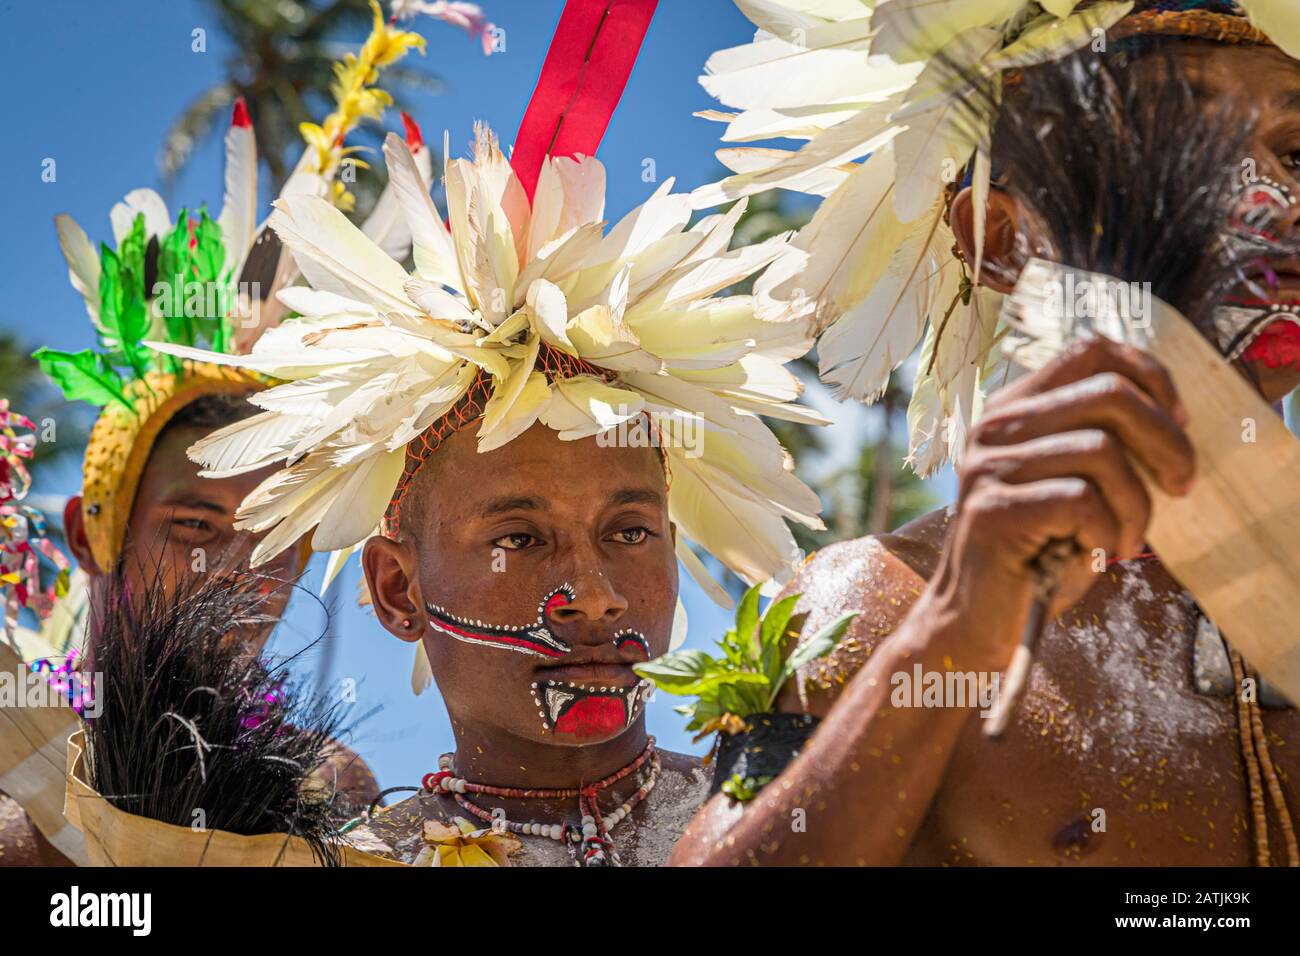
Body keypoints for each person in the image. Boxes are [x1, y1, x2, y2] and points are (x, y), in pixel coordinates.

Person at [672, 0, 1300, 866]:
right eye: (1182, 148)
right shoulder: (880, 608)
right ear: (997, 240)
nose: (1278, 204)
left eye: (1298, 154)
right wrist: (957, 628)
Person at [164, 122, 826, 866]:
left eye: (630, 531)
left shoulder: (791, 829)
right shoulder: (355, 861)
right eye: (519, 539)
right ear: (397, 590)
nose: (595, 595)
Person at [0, 4, 457, 864]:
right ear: (91, 532)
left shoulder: (331, 782)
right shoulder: (7, 730)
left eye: (275, 536)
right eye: (196, 527)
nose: (236, 575)